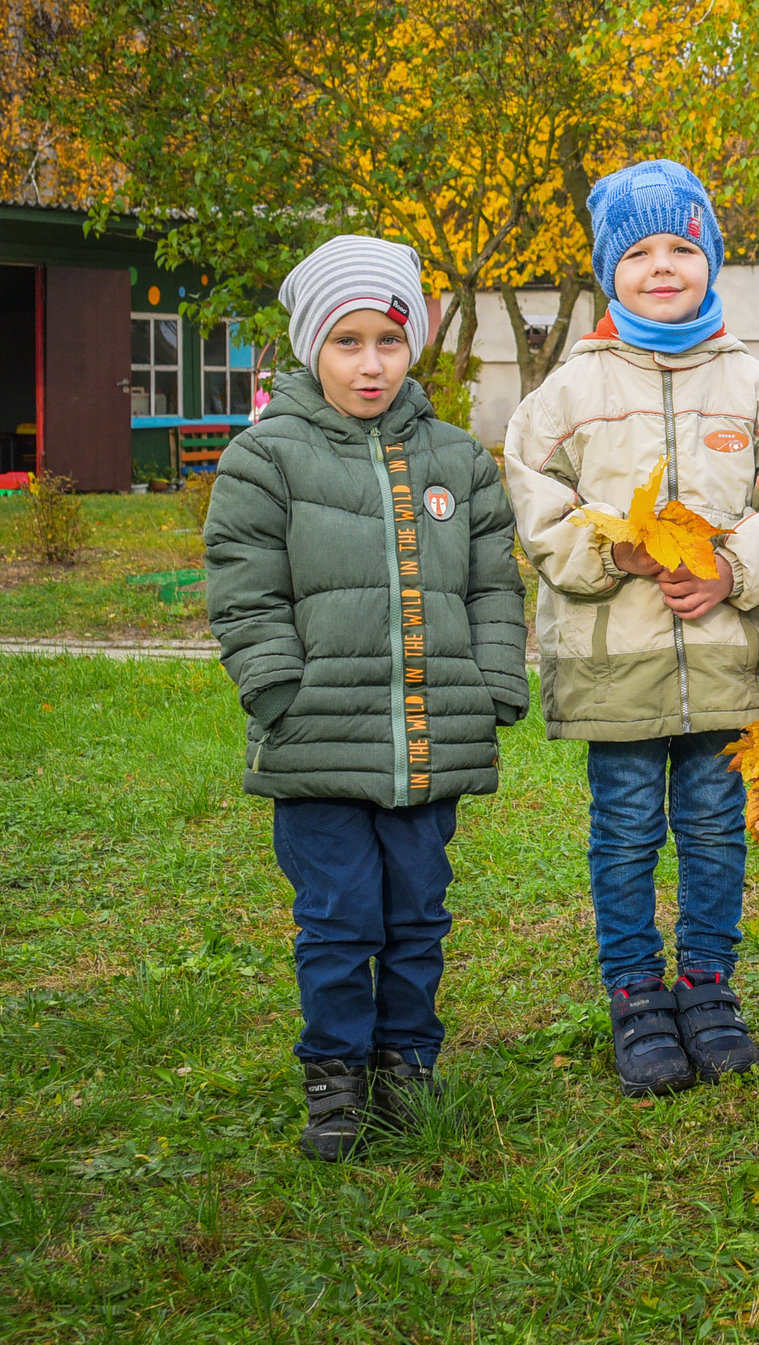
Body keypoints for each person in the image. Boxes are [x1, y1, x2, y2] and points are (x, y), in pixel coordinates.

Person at [204, 235, 527, 1160]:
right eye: (347, 343)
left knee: (417, 909)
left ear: (413, 343)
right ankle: (337, 1074)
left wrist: (495, 679)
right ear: (312, 345)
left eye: (388, 341)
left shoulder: (457, 459)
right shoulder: (265, 458)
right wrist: (275, 685)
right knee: (340, 916)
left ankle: (407, 1062)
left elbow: (493, 585)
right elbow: (244, 585)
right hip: (315, 740)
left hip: (429, 737)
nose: (370, 364)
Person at [501, 160, 759, 1097]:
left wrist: (733, 567)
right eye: (637, 253)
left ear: (711, 260)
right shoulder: (571, 389)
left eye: (681, 247)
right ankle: (635, 992)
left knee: (714, 829)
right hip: (614, 662)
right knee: (626, 830)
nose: (662, 266)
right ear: (607, 271)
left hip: (723, 659)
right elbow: (533, 491)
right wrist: (608, 551)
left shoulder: (754, 385)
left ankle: (708, 986)